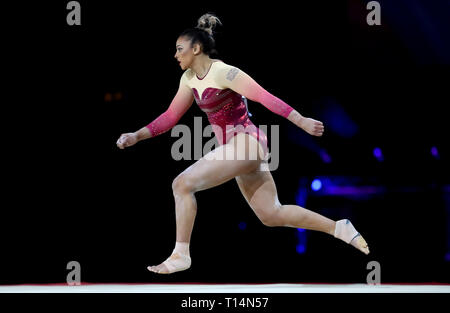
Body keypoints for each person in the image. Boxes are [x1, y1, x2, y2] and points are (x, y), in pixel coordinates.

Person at [116, 13, 369, 274]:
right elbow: (170, 116)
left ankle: (181, 254)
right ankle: (338, 227)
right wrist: (137, 135)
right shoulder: (188, 80)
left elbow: (264, 97)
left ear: (196, 48)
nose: (175, 55)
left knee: (181, 184)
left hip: (247, 142)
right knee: (271, 214)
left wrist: (301, 120)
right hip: (236, 149)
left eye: (180, 49)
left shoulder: (225, 72)